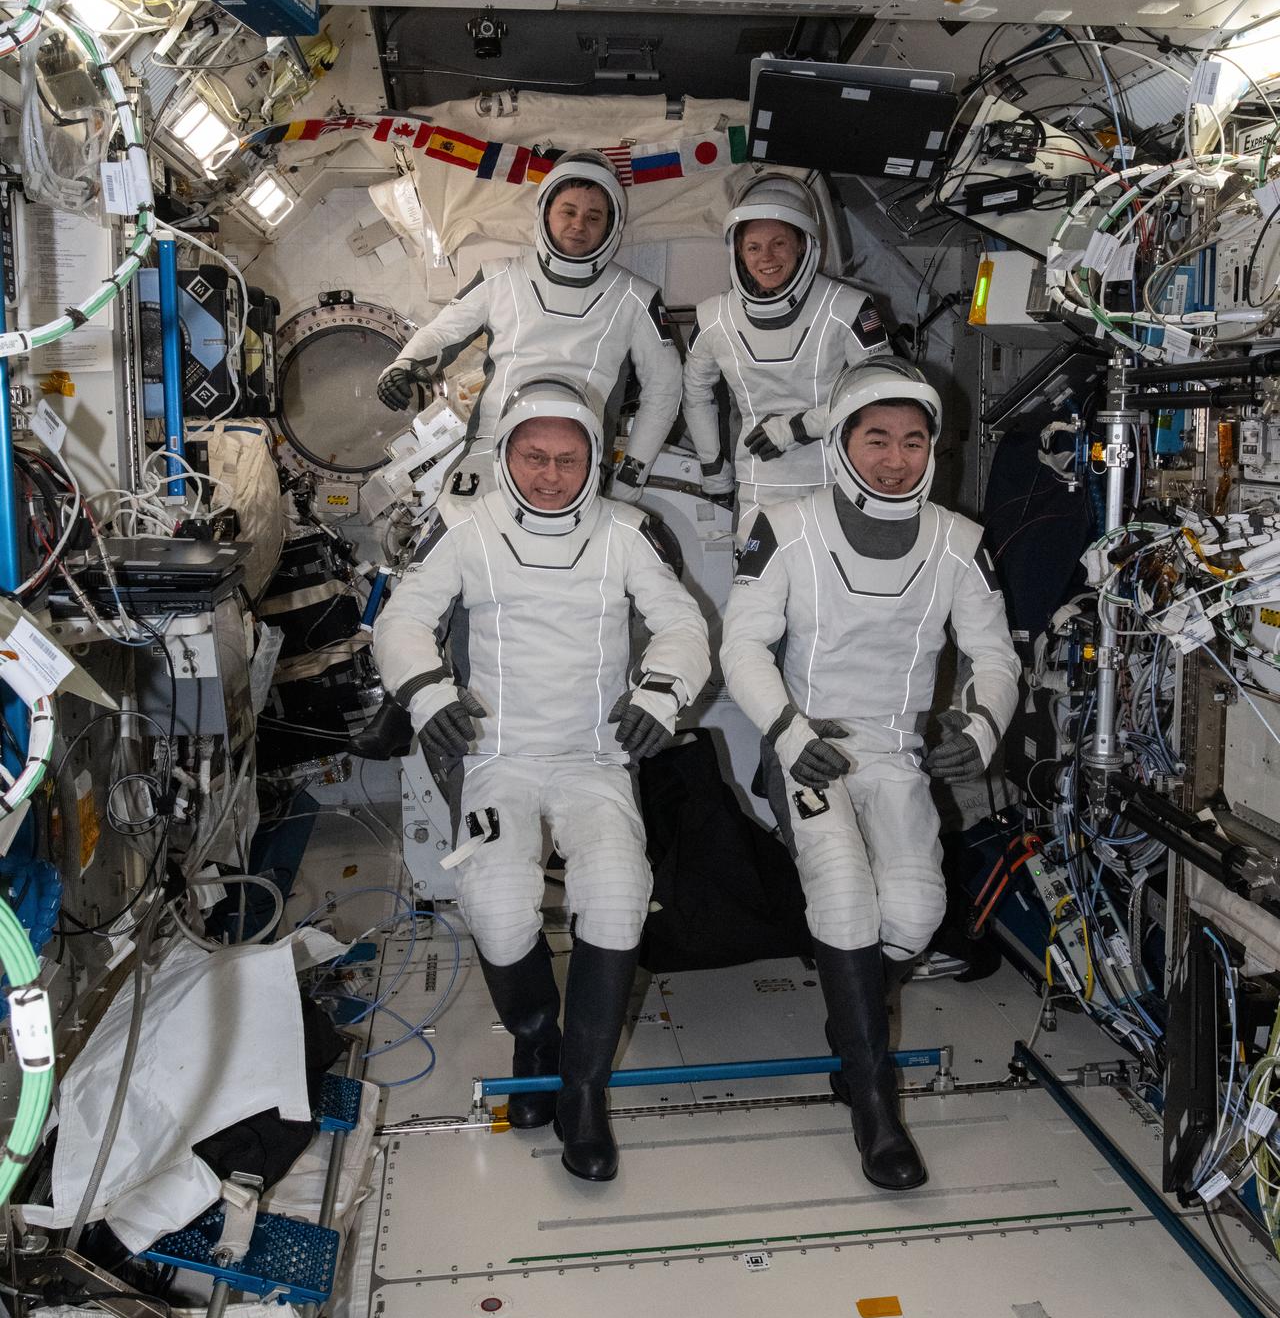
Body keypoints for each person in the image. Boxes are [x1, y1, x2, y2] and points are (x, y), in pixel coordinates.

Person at [371, 376, 709, 1182]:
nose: (551, 474)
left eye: (568, 458)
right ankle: (536, 1033)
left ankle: (582, 1095)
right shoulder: (465, 529)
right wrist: (426, 693)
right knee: (494, 901)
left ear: (594, 459)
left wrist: (663, 694)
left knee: (619, 892)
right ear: (507, 454)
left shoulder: (630, 532)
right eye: (533, 456)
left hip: (594, 754)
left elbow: (682, 623)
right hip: (498, 752)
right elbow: (403, 620)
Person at [720, 359, 1019, 1190]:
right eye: (877, 438)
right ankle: (874, 1106)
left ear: (934, 451)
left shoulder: (958, 543)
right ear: (845, 441)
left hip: (895, 753)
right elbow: (741, 646)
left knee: (917, 912)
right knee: (845, 897)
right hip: (808, 744)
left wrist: (981, 721)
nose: (895, 459)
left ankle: (850, 1034)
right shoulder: (784, 526)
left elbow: (994, 656)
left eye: (914, 442)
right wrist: (784, 731)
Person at [376, 151, 681, 501]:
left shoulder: (636, 297)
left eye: (593, 216)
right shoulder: (499, 277)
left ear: (612, 226)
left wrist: (631, 474)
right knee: (453, 545)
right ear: (545, 213)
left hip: (575, 463)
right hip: (491, 449)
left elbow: (665, 389)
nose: (579, 225)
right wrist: (403, 366)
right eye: (568, 211)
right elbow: (443, 333)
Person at [683, 173, 890, 512]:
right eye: (753, 247)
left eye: (778, 243)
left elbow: (881, 393)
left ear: (802, 244)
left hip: (836, 479)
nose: (766, 257)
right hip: (758, 486)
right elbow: (695, 394)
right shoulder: (713, 317)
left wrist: (797, 428)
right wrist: (711, 466)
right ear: (738, 251)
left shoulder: (847, 307)